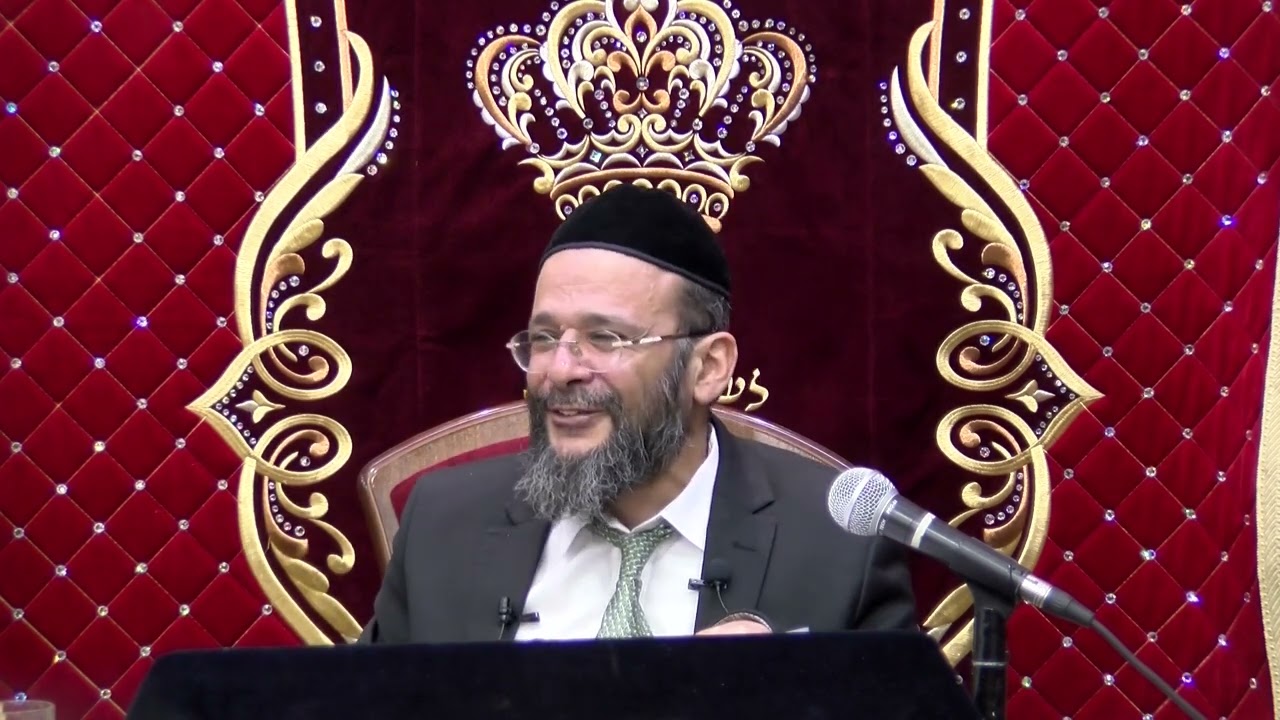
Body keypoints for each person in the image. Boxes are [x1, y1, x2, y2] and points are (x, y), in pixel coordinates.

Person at [360, 184, 917, 644]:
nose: (560, 369)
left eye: (606, 338)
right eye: (544, 337)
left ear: (708, 368)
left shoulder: (837, 546)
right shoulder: (443, 526)